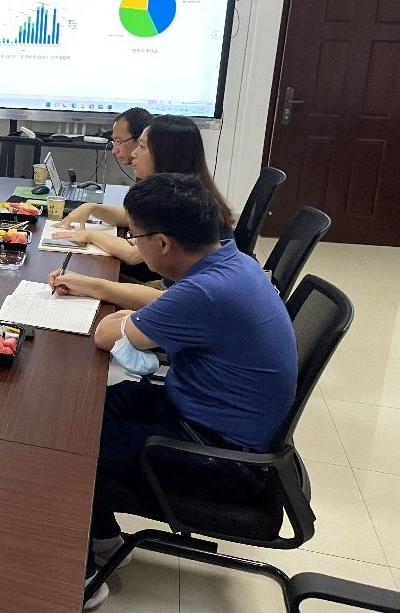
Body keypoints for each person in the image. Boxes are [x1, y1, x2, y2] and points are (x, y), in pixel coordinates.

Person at [79, 174, 296, 610]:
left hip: (221, 456)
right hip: (201, 414)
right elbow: (143, 317)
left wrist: (121, 319)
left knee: (69, 449)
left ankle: (82, 581)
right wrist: (124, 315)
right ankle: (104, 540)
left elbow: (105, 335)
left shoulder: (206, 291)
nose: (133, 246)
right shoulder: (232, 262)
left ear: (162, 243)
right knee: (78, 414)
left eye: (135, 237)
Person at [50, 115, 233, 301]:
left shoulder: (182, 206)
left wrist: (89, 235)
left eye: (142, 147)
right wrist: (91, 208)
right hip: (172, 289)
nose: (134, 154)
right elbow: (129, 217)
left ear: (166, 154)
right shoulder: (185, 193)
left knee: (92, 284)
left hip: (171, 293)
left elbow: (132, 256)